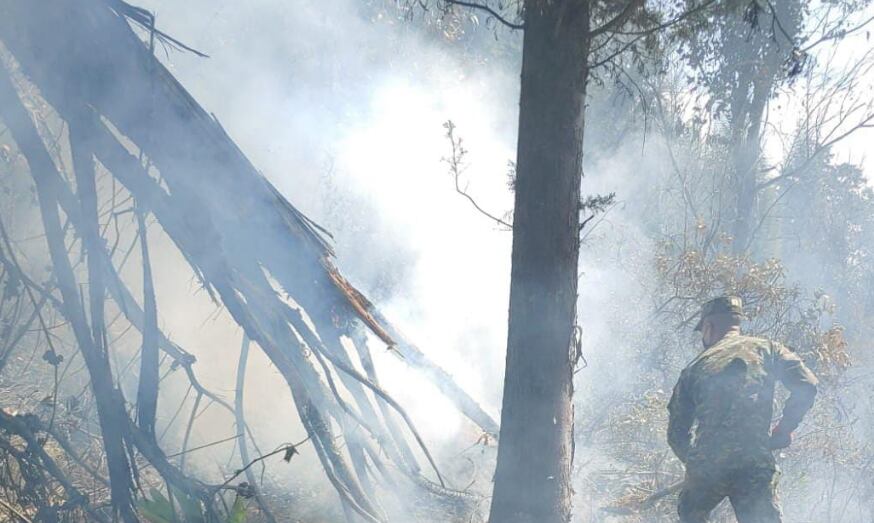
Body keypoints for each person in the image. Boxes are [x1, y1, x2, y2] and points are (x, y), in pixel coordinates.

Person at [667, 296, 818, 522]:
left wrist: (696, 463)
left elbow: (676, 433)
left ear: (709, 326)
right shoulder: (768, 349)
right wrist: (784, 428)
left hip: (707, 469)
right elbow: (807, 385)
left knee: (691, 515)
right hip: (753, 462)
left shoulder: (694, 368)